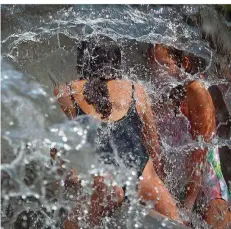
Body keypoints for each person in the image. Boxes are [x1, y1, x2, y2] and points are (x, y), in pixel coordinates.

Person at [52, 36, 183, 228]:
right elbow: (154, 146)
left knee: (75, 222)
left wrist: (69, 180)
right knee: (176, 221)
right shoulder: (136, 90)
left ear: (82, 60)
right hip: (141, 178)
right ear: (117, 61)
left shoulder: (66, 92)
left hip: (103, 183)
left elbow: (57, 150)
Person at [147, 43, 231, 228]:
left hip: (207, 185)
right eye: (152, 65)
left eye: (163, 64)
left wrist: (187, 206)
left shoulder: (196, 92)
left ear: (183, 63)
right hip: (177, 184)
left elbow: (200, 154)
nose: (157, 72)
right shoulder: (160, 94)